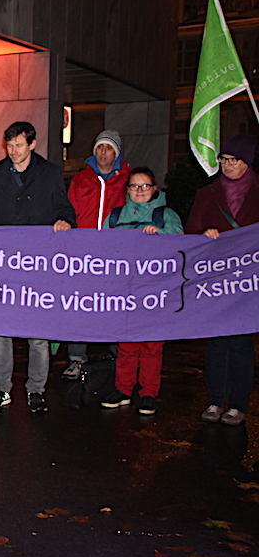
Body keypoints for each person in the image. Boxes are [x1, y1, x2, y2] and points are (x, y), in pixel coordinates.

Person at [0, 121, 76, 414]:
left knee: (38, 333)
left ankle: (36, 389)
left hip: (39, 263)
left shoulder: (49, 173)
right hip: (6, 264)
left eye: (19, 145)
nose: (13, 151)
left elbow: (65, 209)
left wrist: (65, 222)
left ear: (32, 144)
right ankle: (2, 389)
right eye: (9, 145)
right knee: (0, 333)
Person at [186, 134, 259, 426]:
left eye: (233, 161)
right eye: (223, 160)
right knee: (216, 343)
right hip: (216, 281)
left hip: (247, 285)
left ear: (247, 163)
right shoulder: (208, 194)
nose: (227, 166)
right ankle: (215, 400)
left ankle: (238, 404)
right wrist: (204, 236)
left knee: (240, 344)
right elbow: (191, 231)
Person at [101, 167, 182, 415]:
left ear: (154, 189)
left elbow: (181, 245)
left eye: (145, 186)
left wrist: (161, 235)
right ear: (127, 190)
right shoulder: (114, 217)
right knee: (125, 343)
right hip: (124, 290)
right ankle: (123, 389)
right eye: (134, 186)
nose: (139, 191)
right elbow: (101, 250)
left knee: (151, 345)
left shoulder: (166, 216)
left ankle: (148, 392)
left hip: (155, 291)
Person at [62, 129, 131, 379]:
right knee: (80, 306)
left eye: (109, 148)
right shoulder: (82, 179)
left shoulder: (128, 178)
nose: (103, 152)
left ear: (117, 152)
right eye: (100, 147)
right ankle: (77, 357)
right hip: (84, 253)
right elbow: (69, 209)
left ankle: (116, 355)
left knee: (114, 306)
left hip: (115, 254)